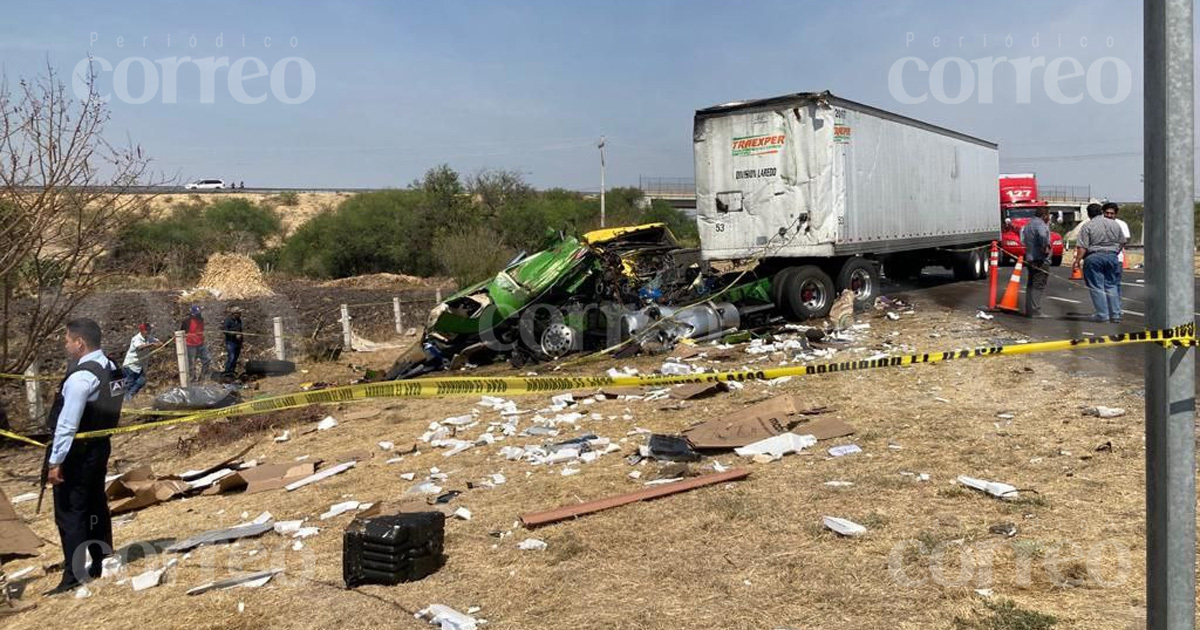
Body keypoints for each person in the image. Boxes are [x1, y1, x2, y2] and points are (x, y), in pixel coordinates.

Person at [44, 318, 125, 595]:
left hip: (77, 453)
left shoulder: (80, 377)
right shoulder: (112, 368)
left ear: (79, 343)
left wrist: (55, 462)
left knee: (71, 512)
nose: (65, 345)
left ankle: (74, 575)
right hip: (100, 446)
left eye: (67, 340)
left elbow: (67, 424)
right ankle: (102, 559)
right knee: (94, 504)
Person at [1074, 203, 1127, 322]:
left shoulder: (1087, 226)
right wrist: (1114, 252)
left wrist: (1077, 261)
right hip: (1112, 257)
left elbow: (1082, 247)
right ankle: (1116, 314)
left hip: (1094, 257)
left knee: (1097, 286)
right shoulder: (1114, 224)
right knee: (1112, 285)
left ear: (1088, 214)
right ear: (1101, 212)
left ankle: (1103, 314)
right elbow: (1123, 241)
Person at [1020, 206, 1052, 318]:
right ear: (1044, 216)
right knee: (1038, 284)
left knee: (1031, 284)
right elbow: (1043, 235)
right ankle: (1035, 310)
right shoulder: (1040, 224)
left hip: (1030, 257)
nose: (1049, 218)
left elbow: (1022, 239)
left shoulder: (1028, 224)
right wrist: (1045, 247)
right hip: (1040, 259)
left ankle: (1029, 309)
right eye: (1048, 215)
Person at [121, 323, 158, 400]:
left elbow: (158, 342)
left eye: (149, 329)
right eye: (147, 330)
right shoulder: (136, 338)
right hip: (131, 365)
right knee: (129, 383)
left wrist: (159, 343)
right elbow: (140, 347)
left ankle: (128, 396)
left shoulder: (148, 338)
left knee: (141, 381)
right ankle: (124, 399)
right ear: (142, 331)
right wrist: (151, 344)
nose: (149, 331)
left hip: (140, 366)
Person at [1103, 201, 1131, 293]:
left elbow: (1124, 240)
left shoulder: (1122, 224)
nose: (1109, 215)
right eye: (1107, 213)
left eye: (1112, 213)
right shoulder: (1099, 224)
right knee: (1103, 285)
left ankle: (1115, 305)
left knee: (1115, 284)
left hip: (1116, 259)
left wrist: (1114, 252)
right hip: (1101, 259)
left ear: (1116, 214)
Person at [179, 305, 211, 381]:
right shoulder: (187, 321)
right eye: (196, 313)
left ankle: (202, 377)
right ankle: (192, 378)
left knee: (207, 359)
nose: (198, 315)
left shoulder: (201, 320)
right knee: (192, 362)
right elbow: (181, 332)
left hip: (200, 343)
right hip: (190, 344)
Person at [222, 307, 244, 378]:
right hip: (231, 342)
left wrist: (241, 340)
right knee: (231, 357)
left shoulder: (239, 320)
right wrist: (235, 335)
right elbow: (225, 331)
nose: (240, 314)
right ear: (234, 313)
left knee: (235, 357)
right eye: (238, 313)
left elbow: (240, 330)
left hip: (238, 342)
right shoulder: (228, 321)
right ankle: (227, 372)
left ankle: (232, 371)